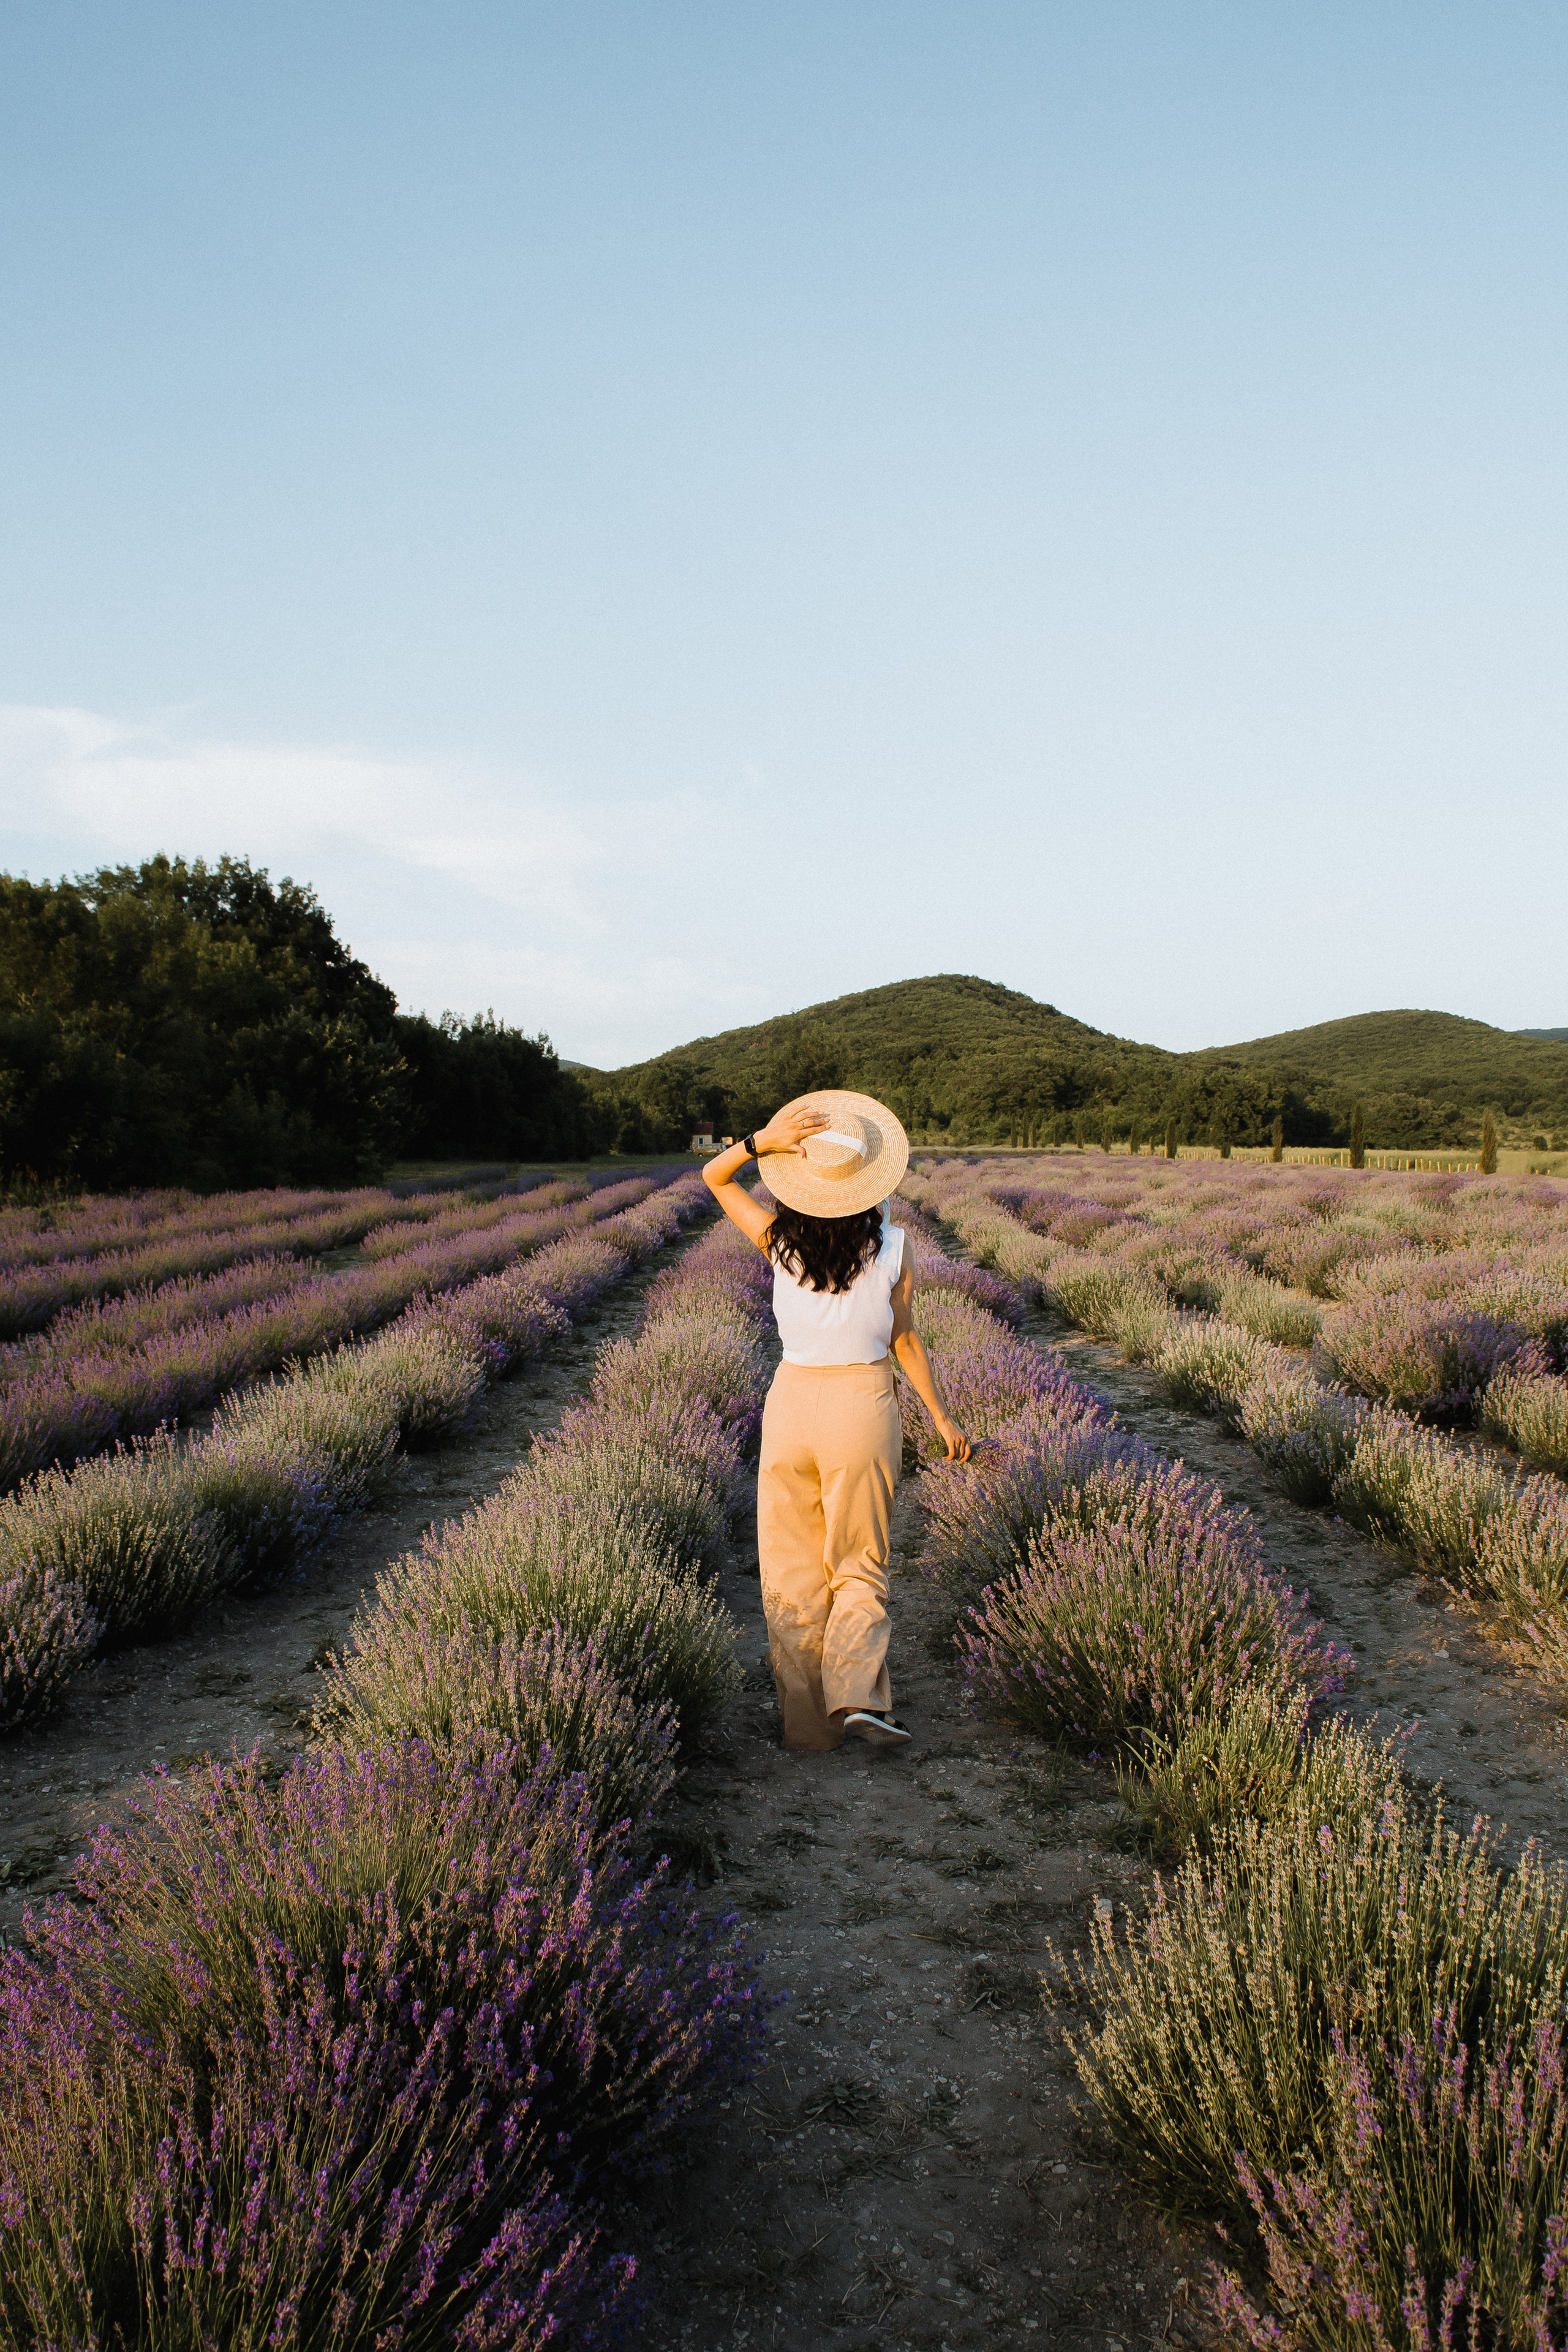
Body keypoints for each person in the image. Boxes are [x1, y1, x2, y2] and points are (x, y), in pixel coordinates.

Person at [703, 1090, 971, 1754]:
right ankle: (855, 1696)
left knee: (790, 1566)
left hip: (790, 1404)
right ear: (867, 1181)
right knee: (858, 1559)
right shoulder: (896, 1248)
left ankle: (805, 1728)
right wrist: (942, 1419)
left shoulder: (774, 1238)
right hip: (862, 1404)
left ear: (802, 1182)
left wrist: (762, 1141)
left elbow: (713, 1176)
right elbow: (904, 1341)